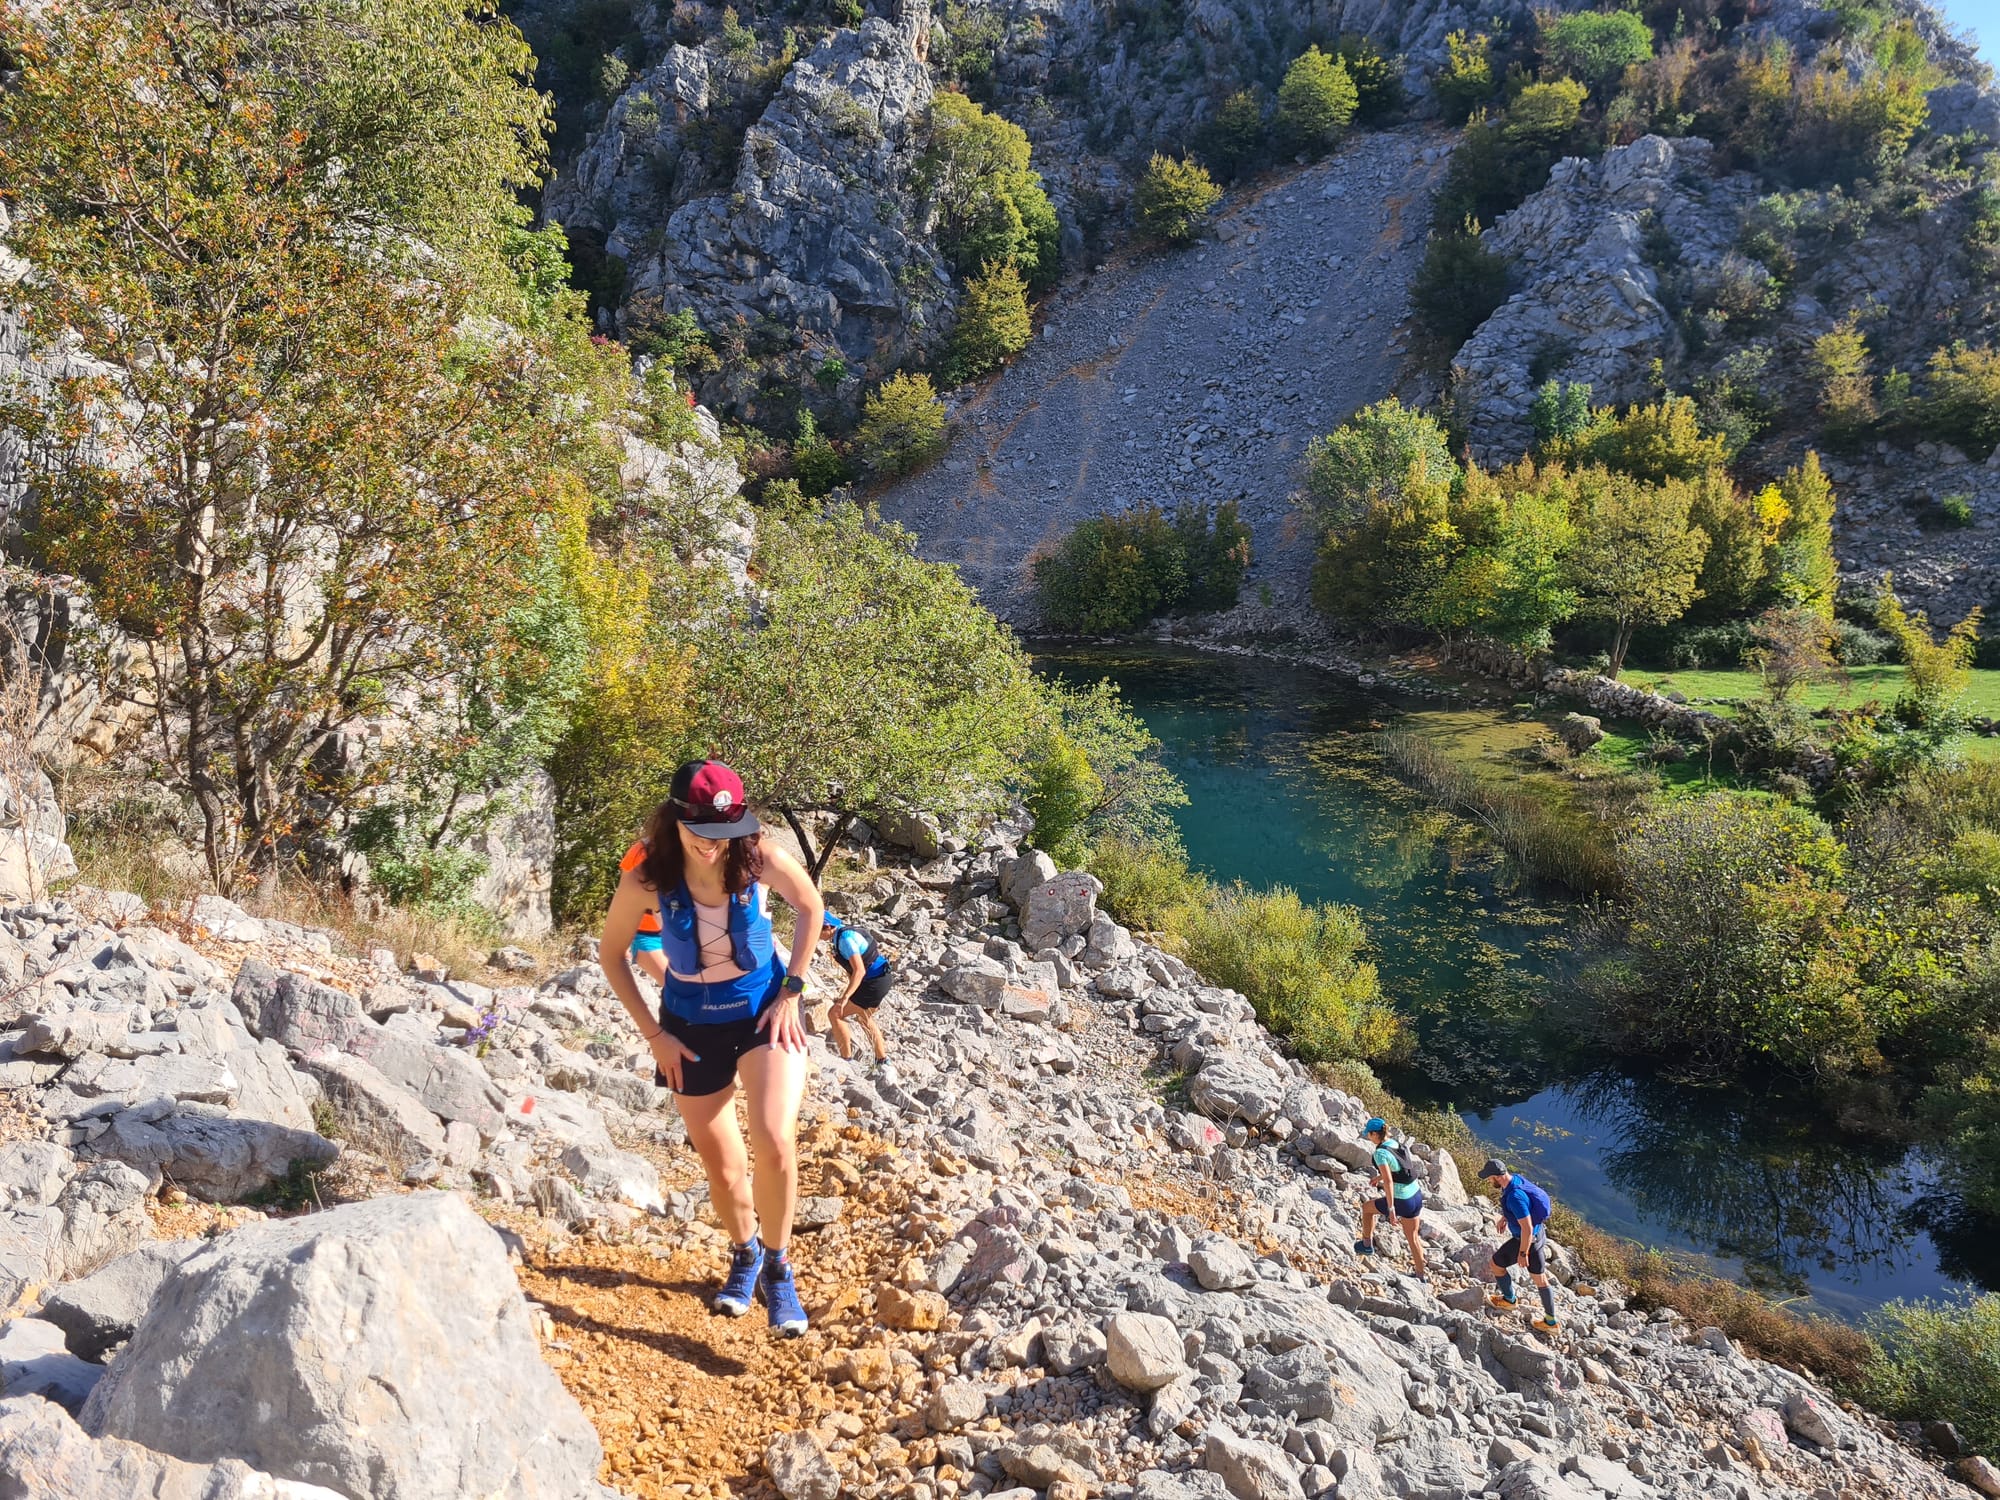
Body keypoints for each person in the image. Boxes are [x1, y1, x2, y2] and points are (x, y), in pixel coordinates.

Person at [599, 759, 824, 1337]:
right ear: (675, 820)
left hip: (762, 1012)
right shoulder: (646, 873)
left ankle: (778, 1268)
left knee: (774, 1139)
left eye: (722, 835)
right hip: (690, 1027)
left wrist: (793, 991)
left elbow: (810, 905)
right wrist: (656, 1036)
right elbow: (613, 954)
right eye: (701, 834)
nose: (711, 847)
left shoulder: (758, 854)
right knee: (723, 1169)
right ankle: (745, 1253)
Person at [1481, 1157, 1559, 1335]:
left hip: (1526, 1240)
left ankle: (1509, 1300)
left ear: (1497, 1176)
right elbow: (1526, 1209)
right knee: (1540, 1279)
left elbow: (1527, 1227)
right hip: (1539, 1236)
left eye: (1489, 1178)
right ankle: (1551, 1322)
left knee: (1496, 1264)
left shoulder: (1515, 1196)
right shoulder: (1515, 1179)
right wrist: (1506, 1217)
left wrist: (1523, 1253)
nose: (1488, 1180)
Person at [822, 912, 896, 1078]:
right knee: (864, 1017)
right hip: (880, 979)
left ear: (827, 927)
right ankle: (882, 1059)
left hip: (874, 983)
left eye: (817, 931)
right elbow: (853, 971)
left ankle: (846, 1060)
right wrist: (849, 993)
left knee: (835, 1014)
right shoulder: (842, 933)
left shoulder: (845, 940)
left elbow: (859, 970)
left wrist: (845, 998)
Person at [1353, 1117, 1427, 1280]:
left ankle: (1366, 1245)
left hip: (1402, 1200)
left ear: (1374, 1134)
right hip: (1416, 1195)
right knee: (1413, 1237)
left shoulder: (1380, 1153)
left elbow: (1389, 1181)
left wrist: (1391, 1209)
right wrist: (1378, 1178)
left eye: (1369, 1134)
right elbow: (1399, 1168)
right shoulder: (1395, 1144)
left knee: (1367, 1209)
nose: (1367, 1137)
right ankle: (1421, 1276)